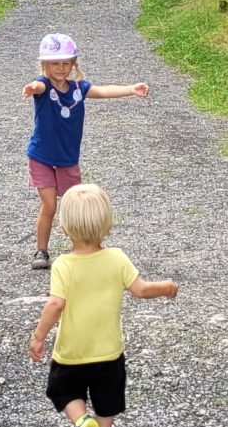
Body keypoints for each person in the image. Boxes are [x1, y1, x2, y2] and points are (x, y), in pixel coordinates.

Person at [28, 183, 177, 427]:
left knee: (63, 391)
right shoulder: (117, 258)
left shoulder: (63, 265)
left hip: (72, 351)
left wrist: (38, 336)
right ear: (108, 226)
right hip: (108, 350)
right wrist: (167, 287)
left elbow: (56, 304)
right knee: (107, 398)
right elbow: (141, 290)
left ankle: (82, 420)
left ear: (64, 228)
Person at [23, 32, 150, 267]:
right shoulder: (44, 85)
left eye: (65, 63)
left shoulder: (79, 88)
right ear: (45, 65)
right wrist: (32, 87)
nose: (60, 68)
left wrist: (131, 89)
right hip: (41, 155)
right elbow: (38, 86)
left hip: (68, 158)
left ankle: (80, 249)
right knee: (49, 205)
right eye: (54, 64)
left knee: (76, 205)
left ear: (73, 64)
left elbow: (103, 91)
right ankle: (41, 252)